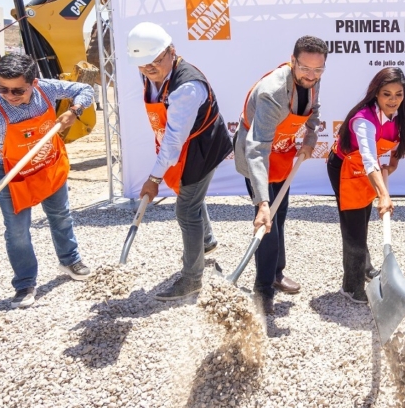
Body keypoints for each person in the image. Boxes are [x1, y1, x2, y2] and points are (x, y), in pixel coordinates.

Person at [0, 53, 94, 308]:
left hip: (47, 163)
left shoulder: (47, 89)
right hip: (12, 173)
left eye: (18, 91)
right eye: (2, 88)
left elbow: (84, 88)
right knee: (17, 230)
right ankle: (24, 283)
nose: (9, 96)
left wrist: (75, 111)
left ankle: (69, 260)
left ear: (33, 82)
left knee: (61, 215)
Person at [127, 23, 231, 301]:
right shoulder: (151, 72)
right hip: (181, 143)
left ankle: (192, 279)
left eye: (154, 63)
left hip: (202, 146)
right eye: (142, 66)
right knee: (190, 196)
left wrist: (153, 179)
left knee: (186, 209)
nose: (148, 70)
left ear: (171, 51)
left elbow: (174, 142)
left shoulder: (187, 88)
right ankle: (206, 242)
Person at [233, 36, 327, 314]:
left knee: (281, 213)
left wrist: (310, 134)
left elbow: (313, 111)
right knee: (268, 222)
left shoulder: (313, 79)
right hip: (257, 156)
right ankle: (262, 292)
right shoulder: (273, 93)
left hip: (282, 152)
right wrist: (262, 203)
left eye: (318, 70)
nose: (311, 76)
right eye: (305, 69)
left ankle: (276, 272)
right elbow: (256, 147)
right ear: (292, 60)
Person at [327, 67, 405, 304]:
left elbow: (396, 146)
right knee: (354, 225)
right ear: (376, 93)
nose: (393, 100)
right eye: (387, 94)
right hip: (346, 169)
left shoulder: (398, 116)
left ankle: (364, 267)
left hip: (368, 171)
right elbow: (369, 159)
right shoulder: (364, 120)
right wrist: (384, 195)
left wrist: (391, 166)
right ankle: (351, 286)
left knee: (363, 217)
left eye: (398, 94)